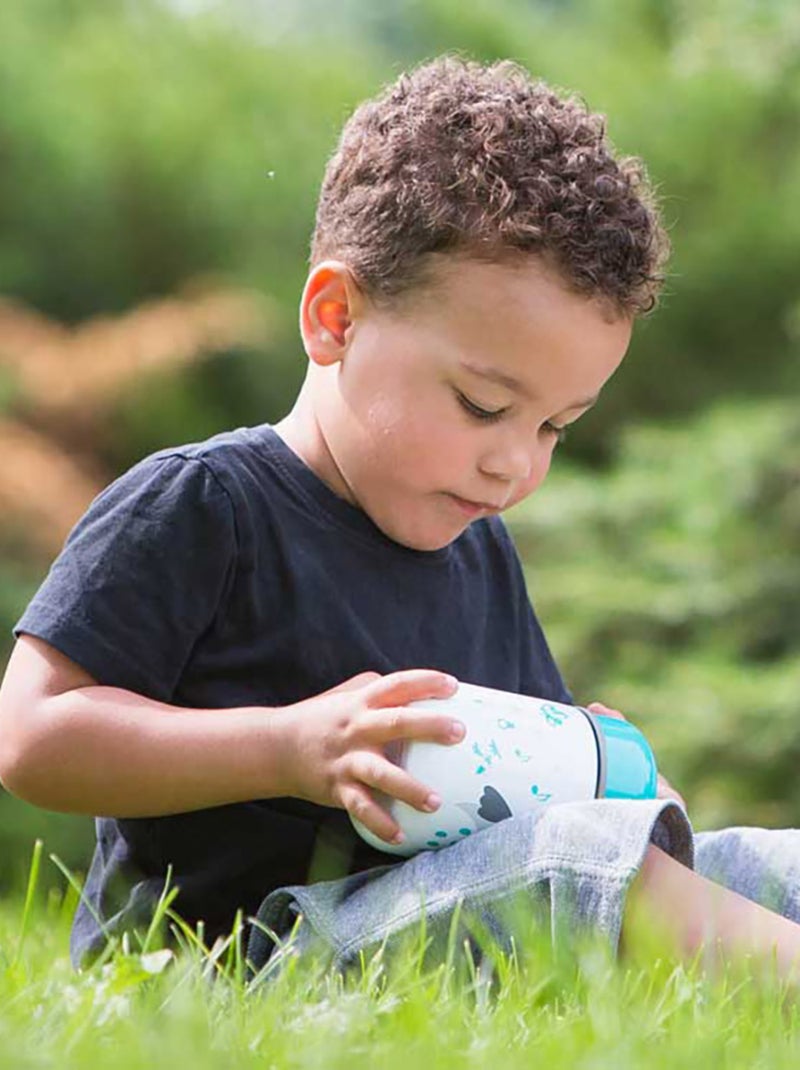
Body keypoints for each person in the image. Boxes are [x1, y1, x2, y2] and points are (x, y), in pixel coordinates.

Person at [1, 55, 800, 981]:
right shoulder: (204, 505)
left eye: (555, 428)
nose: (516, 462)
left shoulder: (479, 549)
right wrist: (290, 746)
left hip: (446, 904)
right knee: (581, 863)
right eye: (483, 406)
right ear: (335, 317)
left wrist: (592, 764)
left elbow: (517, 800)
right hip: (248, 953)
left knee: (756, 861)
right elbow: (31, 736)